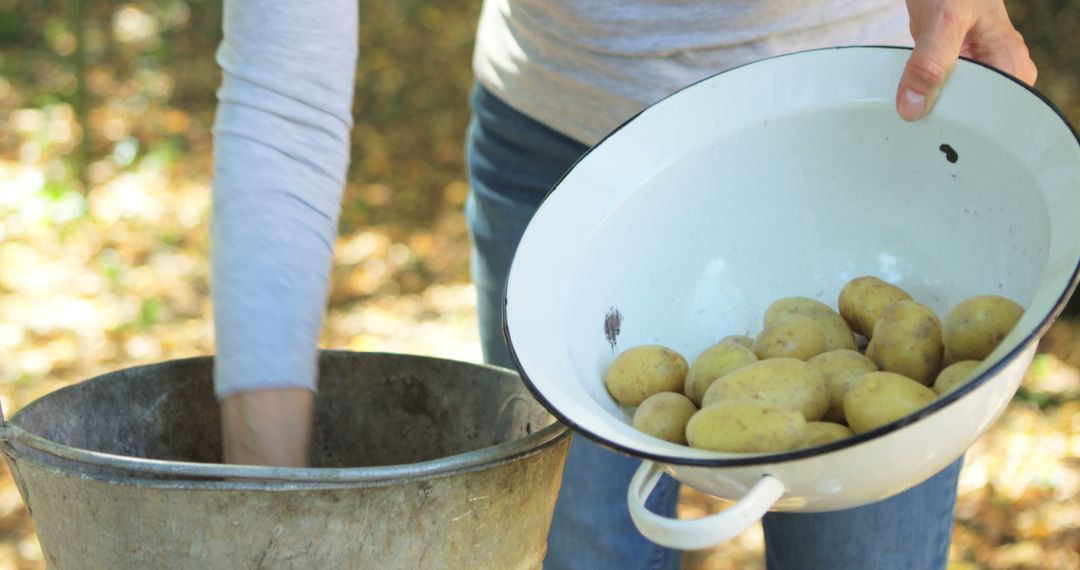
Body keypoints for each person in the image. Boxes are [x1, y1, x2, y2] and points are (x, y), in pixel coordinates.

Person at [210, 0, 1036, 568]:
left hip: (860, 130)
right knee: (588, 551)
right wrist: (266, 507)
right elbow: (283, 100)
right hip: (563, 152)